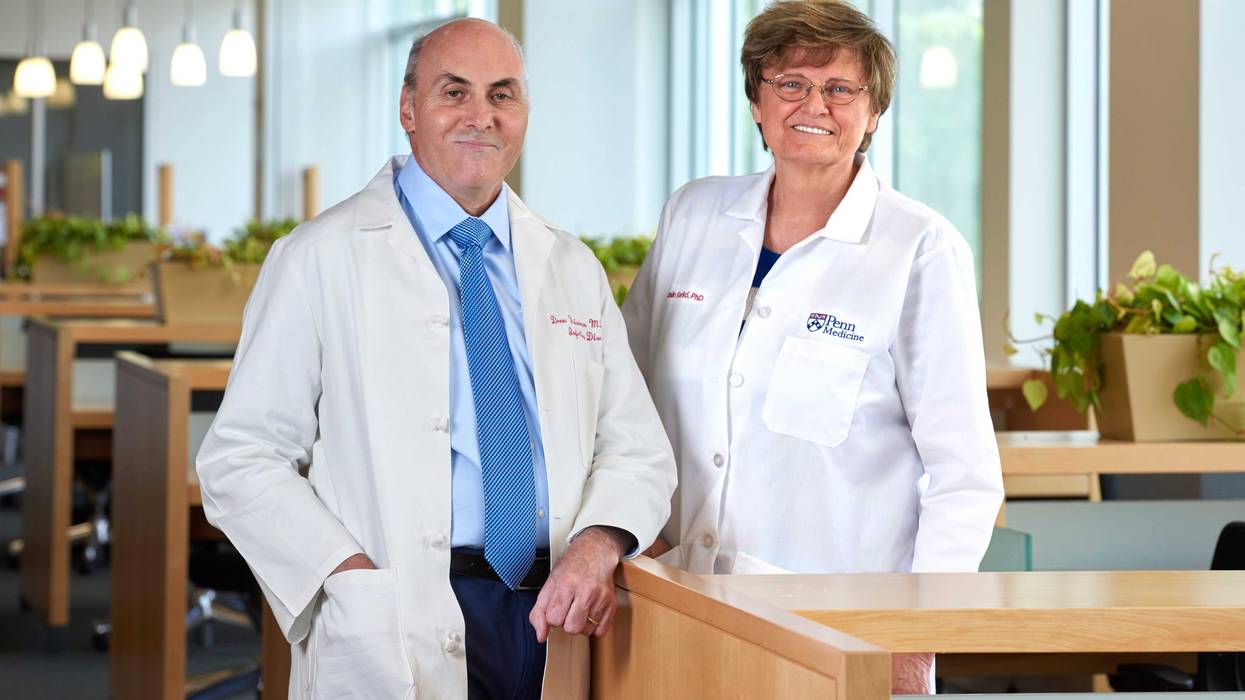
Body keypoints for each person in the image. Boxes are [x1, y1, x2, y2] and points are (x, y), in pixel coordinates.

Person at [196, 18, 675, 699]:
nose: (481, 116)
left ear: (524, 115)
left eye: (502, 95)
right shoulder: (319, 257)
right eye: (455, 92)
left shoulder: (568, 265)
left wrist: (596, 546)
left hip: (556, 608)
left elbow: (637, 448)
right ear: (408, 108)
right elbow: (239, 457)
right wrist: (346, 574)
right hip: (395, 607)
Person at [621, 0, 1003, 693]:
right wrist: (628, 531)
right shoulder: (693, 214)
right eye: (790, 83)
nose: (813, 105)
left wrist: (913, 638)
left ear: (873, 112)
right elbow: (623, 396)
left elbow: (963, 475)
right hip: (671, 597)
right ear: (756, 102)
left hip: (835, 625)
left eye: (839, 89)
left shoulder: (918, 247)